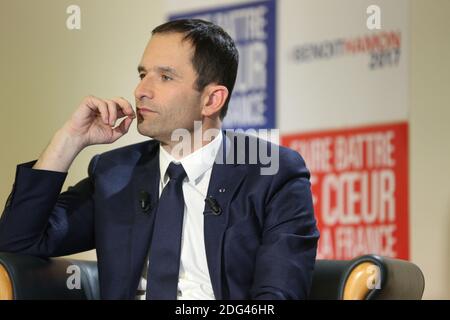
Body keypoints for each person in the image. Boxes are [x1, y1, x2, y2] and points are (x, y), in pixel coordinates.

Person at [0, 19, 319, 300]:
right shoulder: (116, 173)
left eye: (165, 77)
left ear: (211, 99)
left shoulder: (271, 173)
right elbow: (18, 241)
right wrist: (68, 140)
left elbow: (278, 295)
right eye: (142, 74)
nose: (141, 90)